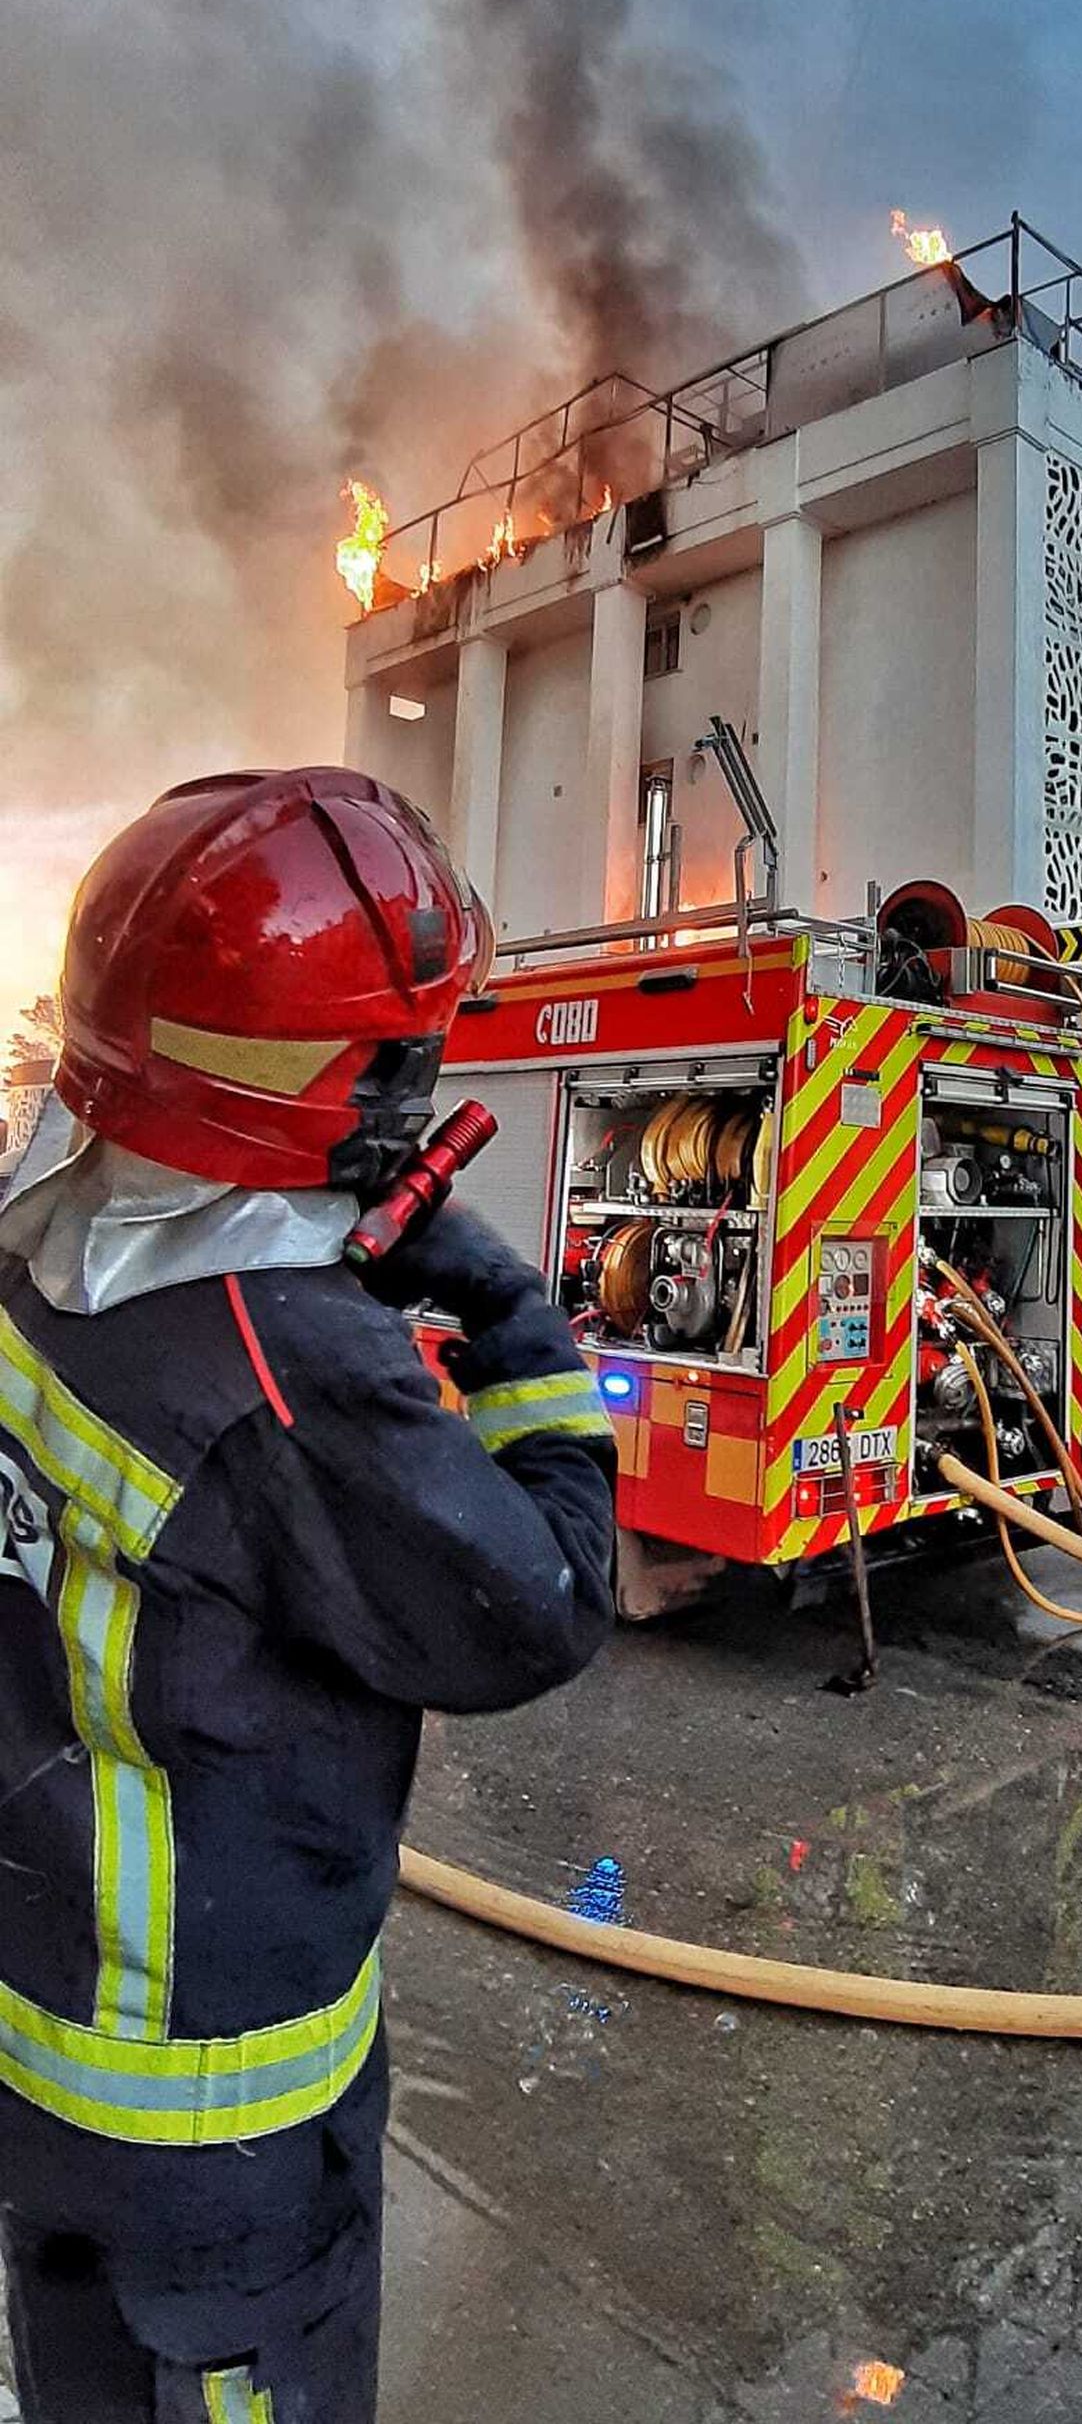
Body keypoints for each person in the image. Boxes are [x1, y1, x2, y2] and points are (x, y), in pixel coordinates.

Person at [0, 767, 615, 2422]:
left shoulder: (31, 1252)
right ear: (346, 1079)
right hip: (224, 2128)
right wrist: (509, 1320)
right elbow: (542, 1603)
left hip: (49, 2050)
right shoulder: (294, 1367)